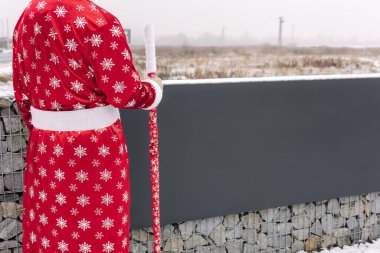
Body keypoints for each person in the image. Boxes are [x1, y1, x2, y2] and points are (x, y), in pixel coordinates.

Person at [12, 0, 164, 252]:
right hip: (96, 151)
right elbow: (124, 92)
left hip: (47, 149)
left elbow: (23, 91)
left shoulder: (27, 17)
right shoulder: (99, 21)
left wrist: (46, 129)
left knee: (50, 232)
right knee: (98, 232)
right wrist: (153, 90)